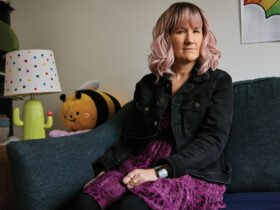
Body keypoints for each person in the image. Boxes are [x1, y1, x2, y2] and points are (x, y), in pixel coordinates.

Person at [73, 2, 233, 210]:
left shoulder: (219, 82)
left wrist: (159, 172)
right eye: (180, 31)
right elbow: (131, 138)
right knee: (86, 202)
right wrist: (104, 169)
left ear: (204, 35)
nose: (190, 40)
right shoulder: (148, 84)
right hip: (142, 161)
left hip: (192, 169)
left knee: (132, 207)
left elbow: (212, 142)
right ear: (166, 38)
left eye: (196, 31)